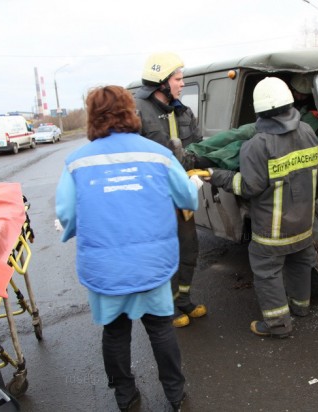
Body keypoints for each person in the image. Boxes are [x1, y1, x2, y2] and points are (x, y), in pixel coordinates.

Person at [55, 85, 201, 411]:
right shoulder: (157, 155)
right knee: (160, 328)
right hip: (152, 263)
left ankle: (126, 397)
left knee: (116, 332)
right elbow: (187, 198)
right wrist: (193, 185)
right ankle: (176, 396)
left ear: (93, 117)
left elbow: (66, 213)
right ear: (130, 113)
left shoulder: (76, 163)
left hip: (105, 267)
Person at [207, 77, 318, 338]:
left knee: (267, 272)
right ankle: (301, 308)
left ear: (260, 110)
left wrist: (216, 175)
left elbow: (248, 187)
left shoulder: (256, 145)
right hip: (304, 223)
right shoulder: (308, 131)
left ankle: (278, 325)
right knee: (301, 264)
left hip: (272, 231)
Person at [134, 52, 212, 328]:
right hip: (152, 201)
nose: (182, 83)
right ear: (161, 83)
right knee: (162, 254)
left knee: (188, 249)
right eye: (178, 79)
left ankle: (184, 300)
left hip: (181, 197)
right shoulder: (137, 111)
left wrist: (200, 167)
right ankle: (164, 306)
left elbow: (198, 148)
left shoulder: (184, 112)